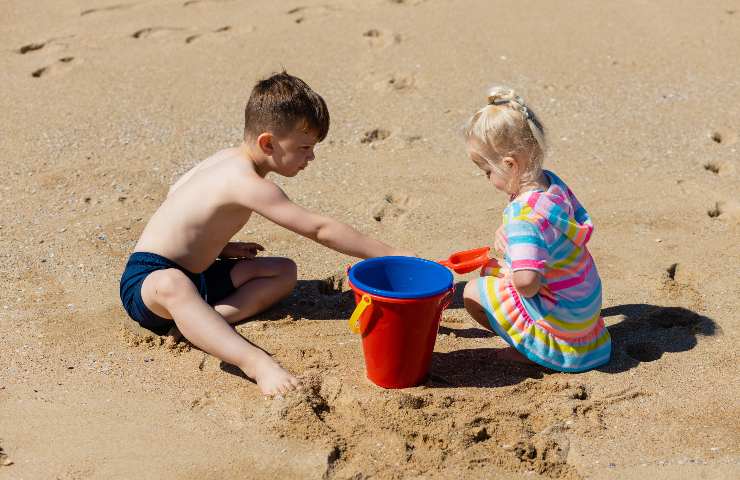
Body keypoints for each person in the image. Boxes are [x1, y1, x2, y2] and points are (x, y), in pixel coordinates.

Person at [120, 72, 410, 395]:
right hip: (148, 281)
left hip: (197, 275)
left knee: (283, 271)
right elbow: (320, 229)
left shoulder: (224, 158)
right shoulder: (247, 183)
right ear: (268, 143)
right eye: (304, 148)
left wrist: (221, 246)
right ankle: (257, 364)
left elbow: (180, 197)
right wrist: (391, 254)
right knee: (171, 283)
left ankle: (205, 322)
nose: (310, 157)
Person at [461, 86, 611, 372]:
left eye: (487, 171)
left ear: (510, 164)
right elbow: (548, 236)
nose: (487, 179)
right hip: (583, 312)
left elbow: (528, 282)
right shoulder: (553, 186)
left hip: (563, 329)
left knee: (473, 291)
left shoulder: (522, 216)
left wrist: (511, 272)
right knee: (493, 271)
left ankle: (533, 351)